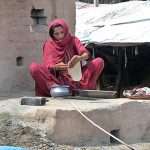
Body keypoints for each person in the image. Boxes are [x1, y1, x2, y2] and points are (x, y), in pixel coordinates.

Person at [29, 19, 104, 96]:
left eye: (62, 32)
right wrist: (56, 67)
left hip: (76, 78)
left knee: (99, 61)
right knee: (34, 67)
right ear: (52, 34)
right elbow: (48, 66)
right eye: (56, 34)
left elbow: (86, 54)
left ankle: (79, 89)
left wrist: (79, 58)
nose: (60, 36)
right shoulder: (49, 44)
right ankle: (55, 89)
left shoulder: (73, 40)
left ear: (65, 30)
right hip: (57, 80)